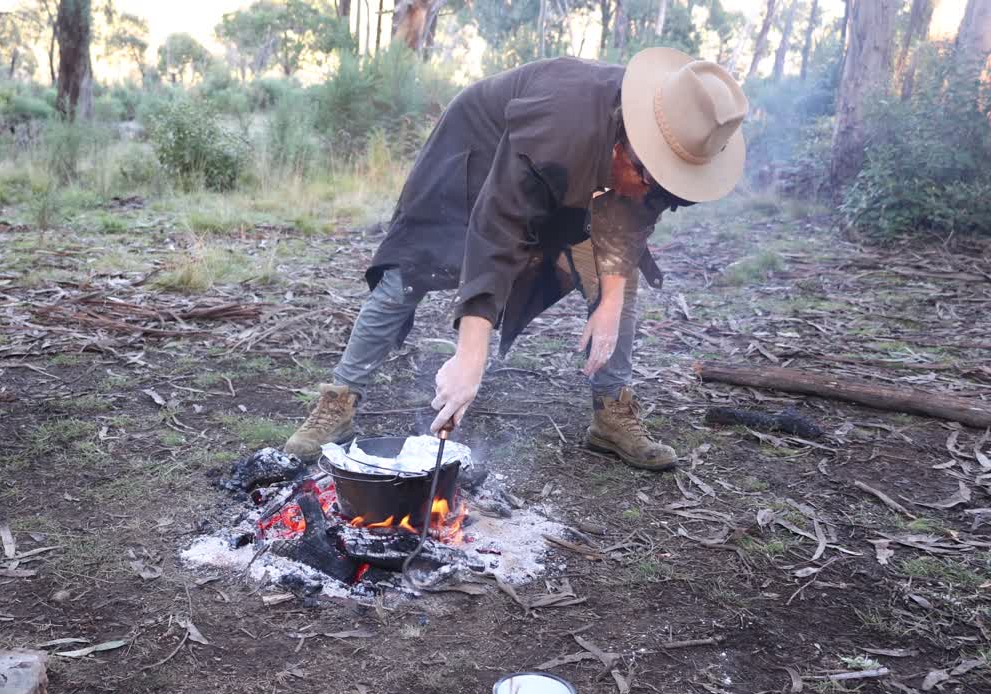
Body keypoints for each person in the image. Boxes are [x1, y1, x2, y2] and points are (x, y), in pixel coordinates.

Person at [284, 48, 747, 470]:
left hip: (570, 182)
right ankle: (338, 401)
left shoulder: (680, 142)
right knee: (410, 272)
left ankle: (612, 414)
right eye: (649, 177)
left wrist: (607, 306)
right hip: (477, 157)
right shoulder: (563, 120)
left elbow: (630, 226)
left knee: (616, 291)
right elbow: (496, 230)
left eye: (664, 185)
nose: (652, 193)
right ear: (626, 141)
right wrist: (470, 357)